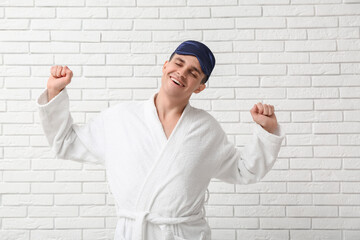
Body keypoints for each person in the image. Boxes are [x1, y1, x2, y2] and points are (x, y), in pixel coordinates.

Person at [37, 40, 284, 240]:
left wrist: (267, 131)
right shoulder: (120, 118)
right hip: (132, 233)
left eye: (193, 72)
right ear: (165, 66)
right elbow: (65, 142)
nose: (182, 73)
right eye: (178, 63)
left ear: (200, 87)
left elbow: (244, 170)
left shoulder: (206, 130)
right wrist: (55, 92)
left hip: (183, 234)